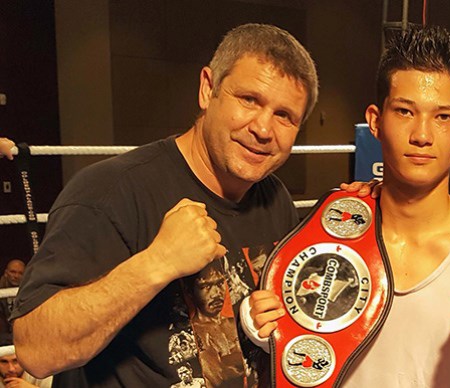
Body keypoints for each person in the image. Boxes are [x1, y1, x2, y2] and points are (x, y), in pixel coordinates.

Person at [4, 23, 318, 387]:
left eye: (285, 116)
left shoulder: (274, 198)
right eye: (249, 99)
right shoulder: (110, 191)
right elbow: (36, 350)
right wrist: (157, 263)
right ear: (207, 88)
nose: (264, 129)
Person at [243, 26, 450, 387]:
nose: (422, 135)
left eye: (443, 117)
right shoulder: (328, 234)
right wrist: (274, 335)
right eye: (405, 111)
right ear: (375, 121)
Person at [0, 260, 26, 345]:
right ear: (6, 273)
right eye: (13, 272)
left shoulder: (29, 291)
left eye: (20, 273)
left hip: (23, 332)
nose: (16, 276)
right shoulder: (1, 289)